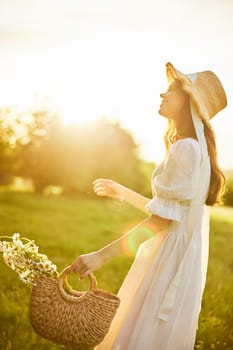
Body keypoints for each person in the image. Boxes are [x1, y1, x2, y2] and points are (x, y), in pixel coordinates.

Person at [68, 62, 227, 350]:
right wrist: (124, 192)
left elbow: (160, 222)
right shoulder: (193, 148)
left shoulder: (186, 148)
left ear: (188, 101)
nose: (162, 95)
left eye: (169, 92)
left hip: (167, 260)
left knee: (142, 333)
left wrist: (101, 256)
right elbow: (170, 213)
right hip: (175, 256)